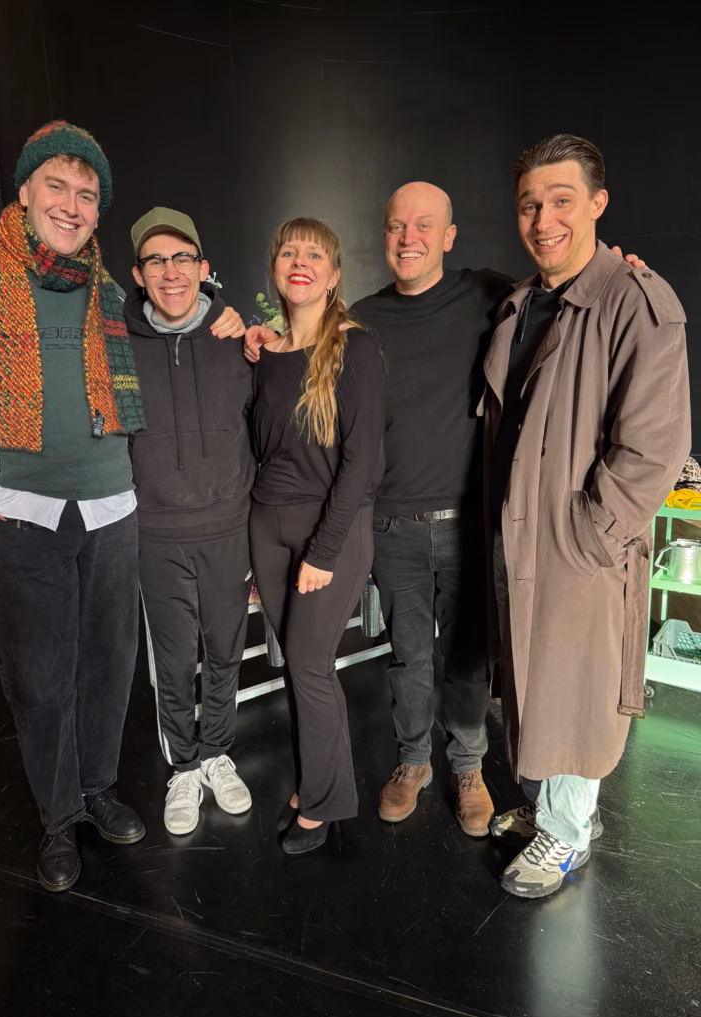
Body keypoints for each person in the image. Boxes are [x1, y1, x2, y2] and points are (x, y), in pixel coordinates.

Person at [246, 185, 647, 839]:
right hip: (390, 522)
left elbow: (563, 290)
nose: (409, 238)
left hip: (468, 521)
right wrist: (255, 336)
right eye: (396, 226)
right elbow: (304, 369)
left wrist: (615, 276)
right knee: (407, 657)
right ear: (382, 236)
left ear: (449, 236)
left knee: (467, 661)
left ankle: (467, 767)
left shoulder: (489, 294)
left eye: (424, 226)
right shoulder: (361, 324)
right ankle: (412, 763)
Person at [0, 123, 246, 892]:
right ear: (25, 190)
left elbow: (183, 322)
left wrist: (237, 319)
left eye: (87, 193)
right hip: (16, 511)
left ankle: (98, 789)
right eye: (57, 186)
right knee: (42, 680)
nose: (71, 205)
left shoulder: (109, 290)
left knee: (108, 670)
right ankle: (59, 819)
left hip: (112, 509)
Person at [484, 134, 691, 898]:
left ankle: (567, 835)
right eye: (530, 204)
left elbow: (655, 447)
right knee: (538, 684)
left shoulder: (636, 300)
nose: (544, 220)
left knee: (577, 689)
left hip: (578, 544)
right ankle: (556, 811)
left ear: (599, 203)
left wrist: (590, 535)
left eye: (562, 200)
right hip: (522, 536)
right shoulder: (520, 302)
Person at [248, 218, 385, 855]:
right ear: (275, 268)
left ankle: (325, 805)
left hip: (329, 531)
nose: (299, 262)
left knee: (308, 665)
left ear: (333, 276)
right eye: (288, 251)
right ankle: (314, 785)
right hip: (266, 527)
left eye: (314, 255)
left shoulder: (356, 348)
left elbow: (363, 463)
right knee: (300, 670)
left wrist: (323, 552)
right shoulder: (265, 353)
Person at [125, 207, 256, 834]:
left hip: (229, 528)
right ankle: (183, 765)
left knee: (225, 652)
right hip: (157, 534)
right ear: (139, 274)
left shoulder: (240, 339)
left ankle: (217, 754)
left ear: (204, 268)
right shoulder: (118, 344)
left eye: (181, 258)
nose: (170, 272)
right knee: (174, 663)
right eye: (156, 261)